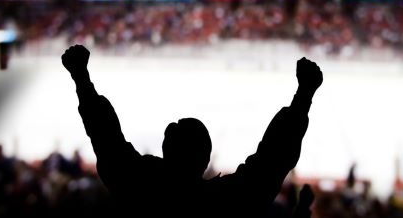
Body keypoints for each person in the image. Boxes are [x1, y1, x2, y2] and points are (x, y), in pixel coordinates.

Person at [61, 45, 323, 218]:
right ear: (206, 159)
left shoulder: (137, 187)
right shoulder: (223, 204)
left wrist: (81, 78)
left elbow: (107, 140)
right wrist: (303, 96)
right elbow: (269, 166)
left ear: (165, 151)